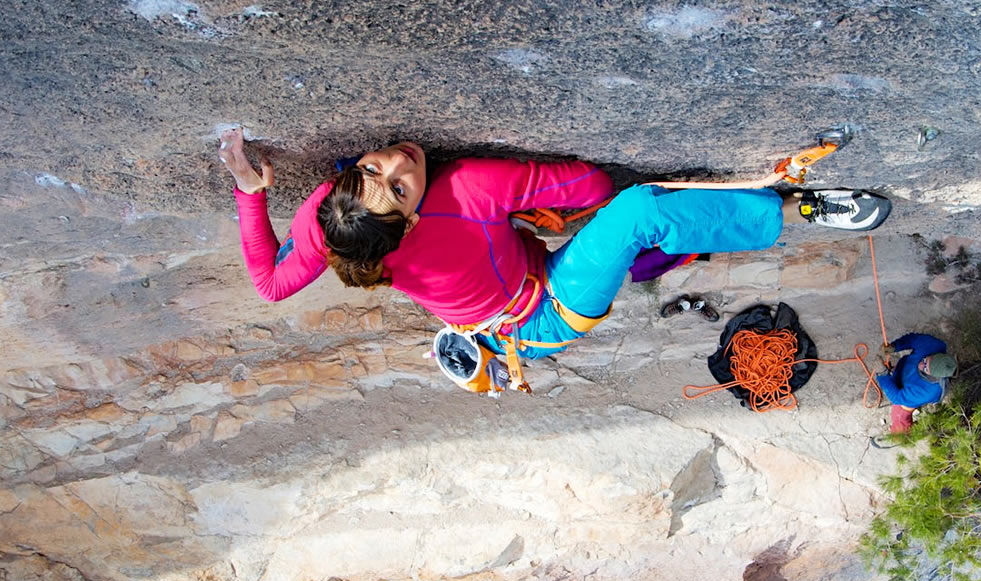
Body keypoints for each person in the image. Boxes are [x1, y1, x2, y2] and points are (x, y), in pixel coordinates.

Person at [217, 127, 892, 390]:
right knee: (633, 213)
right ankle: (797, 208)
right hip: (542, 315)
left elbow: (272, 284)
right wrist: (508, 201)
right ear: (410, 217)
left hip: (493, 321)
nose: (397, 161)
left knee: (636, 228)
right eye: (398, 186)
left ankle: (725, 223)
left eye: (374, 166)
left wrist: (253, 195)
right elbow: (594, 189)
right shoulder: (463, 188)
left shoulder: (337, 224)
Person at [877, 333, 957, 434]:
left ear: (934, 376)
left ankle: (902, 435)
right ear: (934, 355)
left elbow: (896, 398)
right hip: (906, 372)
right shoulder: (933, 345)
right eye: (925, 360)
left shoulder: (928, 392)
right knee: (900, 377)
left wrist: (882, 374)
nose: (921, 364)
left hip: (914, 392)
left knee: (899, 417)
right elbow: (913, 339)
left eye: (925, 368)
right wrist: (895, 346)